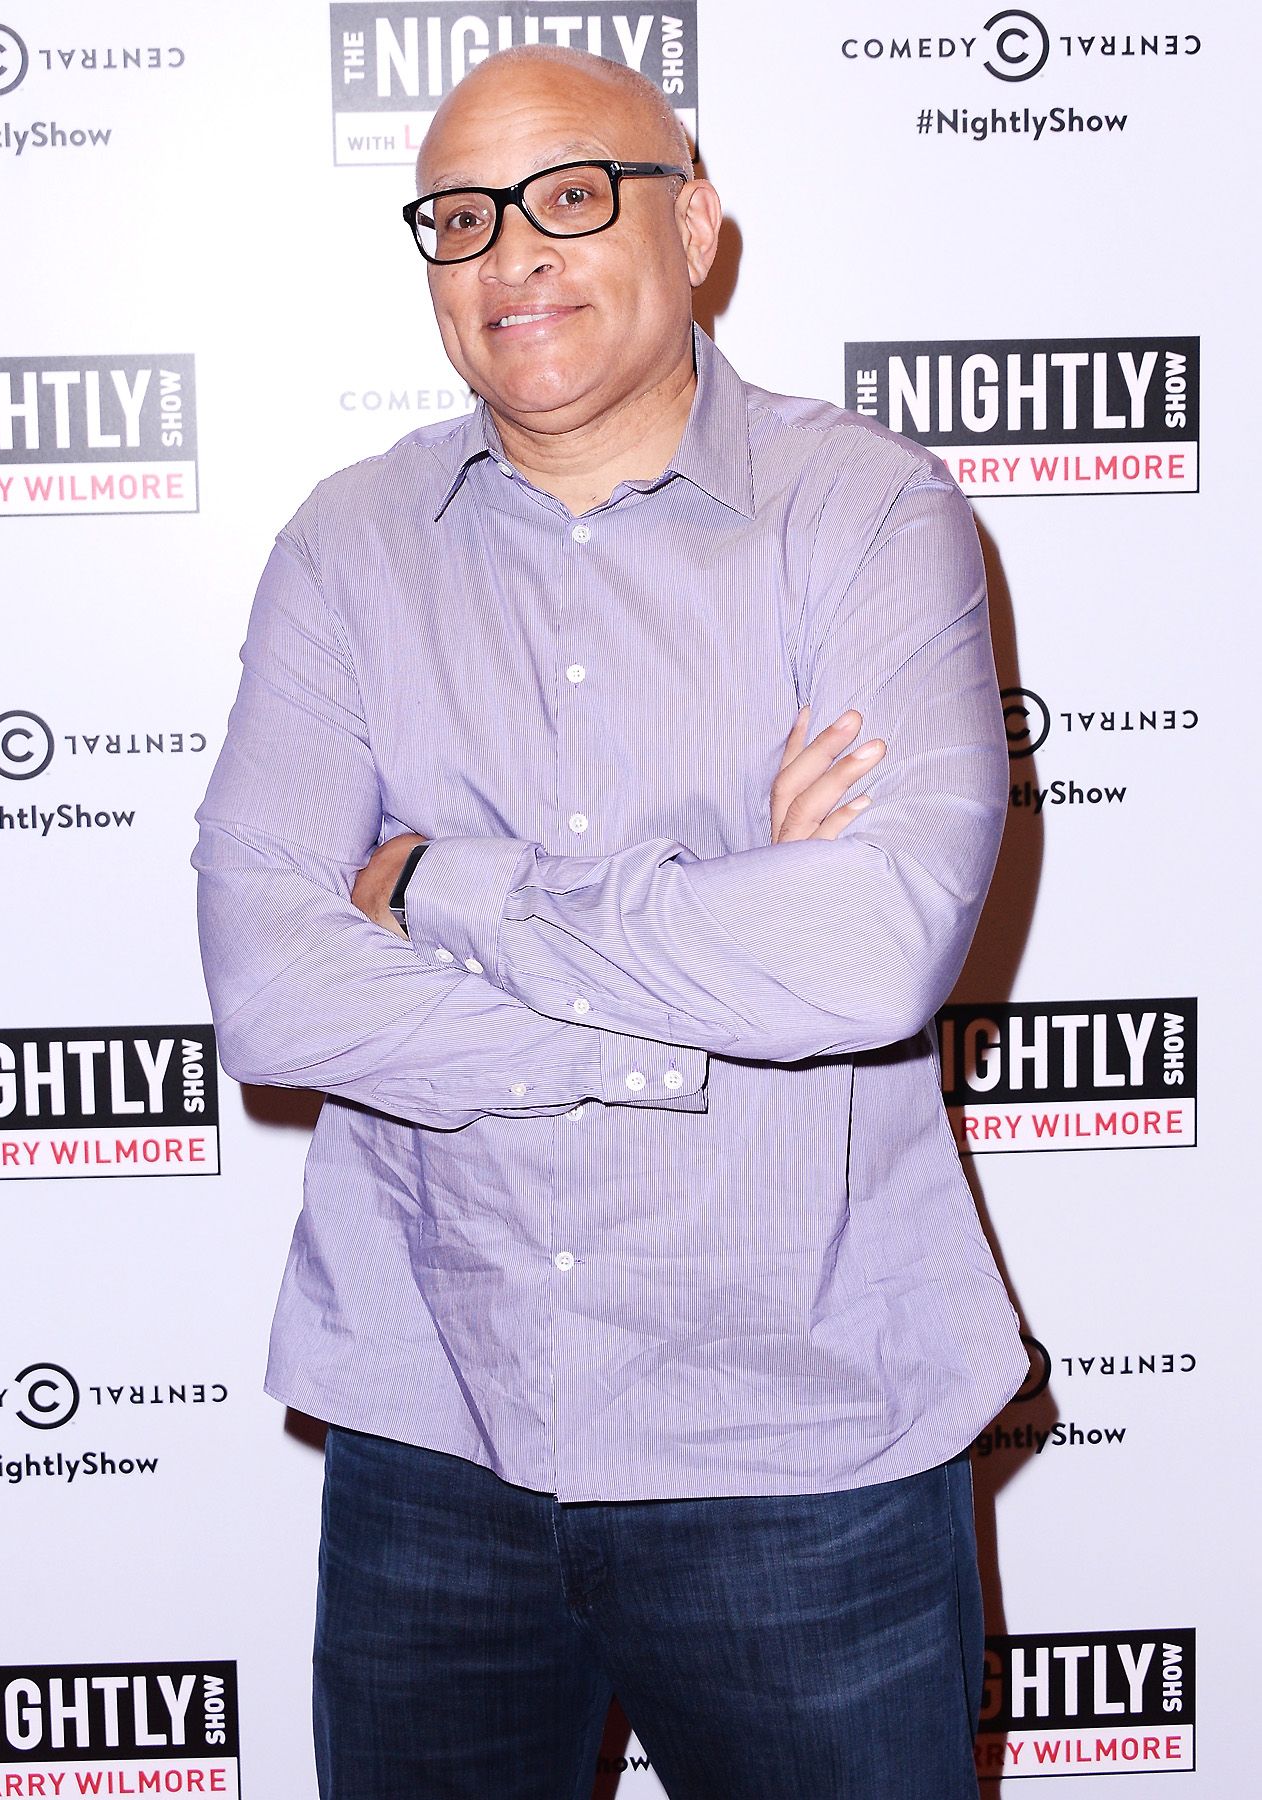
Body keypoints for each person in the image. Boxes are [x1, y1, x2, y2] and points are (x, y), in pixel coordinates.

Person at [193, 43, 1026, 1800]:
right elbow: (273, 986)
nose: (512, 253)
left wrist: (438, 887)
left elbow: (864, 953)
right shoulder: (348, 545)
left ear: (695, 226)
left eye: (571, 196)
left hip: (802, 1441)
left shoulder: (864, 511)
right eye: (461, 217)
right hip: (436, 1424)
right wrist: (712, 972)